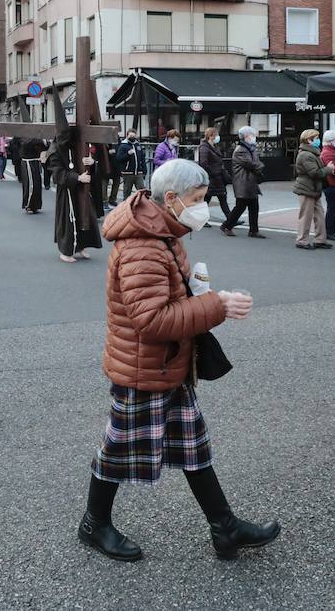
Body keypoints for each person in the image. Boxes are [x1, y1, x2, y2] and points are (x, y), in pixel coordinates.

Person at [78, 158, 277, 563]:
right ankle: (93, 523)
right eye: (197, 199)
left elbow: (167, 302)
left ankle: (225, 528)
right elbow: (151, 321)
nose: (203, 206)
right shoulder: (143, 246)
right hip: (144, 366)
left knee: (193, 446)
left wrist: (199, 294)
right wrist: (215, 306)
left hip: (166, 363)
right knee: (118, 451)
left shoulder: (164, 230)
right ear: (170, 198)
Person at [51, 128, 103, 263]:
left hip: (81, 189)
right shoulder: (55, 150)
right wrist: (77, 178)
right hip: (67, 190)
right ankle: (65, 250)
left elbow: (88, 165)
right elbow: (57, 174)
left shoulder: (77, 146)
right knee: (69, 220)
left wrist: (91, 163)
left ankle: (81, 246)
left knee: (85, 216)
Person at [292, 129, 333, 251]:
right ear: (309, 140)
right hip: (307, 188)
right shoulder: (305, 155)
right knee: (306, 215)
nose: (318, 140)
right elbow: (314, 172)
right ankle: (302, 240)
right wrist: (328, 169)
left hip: (313, 188)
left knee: (319, 214)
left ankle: (320, 240)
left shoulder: (312, 153)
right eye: (316, 138)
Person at [220, 126, 265, 238]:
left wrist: (258, 164)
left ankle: (254, 230)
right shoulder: (240, 150)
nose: (254, 138)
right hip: (243, 182)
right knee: (240, 206)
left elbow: (255, 163)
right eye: (252, 135)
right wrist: (260, 166)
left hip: (250, 182)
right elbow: (252, 164)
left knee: (254, 206)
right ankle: (226, 225)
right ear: (245, 136)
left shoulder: (250, 149)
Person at [197, 127, 231, 225]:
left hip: (217, 178)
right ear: (211, 136)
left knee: (222, 197)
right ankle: (202, 219)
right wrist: (213, 173)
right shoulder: (204, 147)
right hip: (212, 178)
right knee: (208, 198)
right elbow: (203, 163)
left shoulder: (214, 146)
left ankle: (230, 219)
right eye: (216, 135)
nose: (218, 137)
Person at [114, 130, 148, 202]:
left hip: (138, 172)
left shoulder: (138, 145)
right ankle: (126, 207)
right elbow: (119, 158)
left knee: (142, 190)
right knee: (127, 191)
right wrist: (128, 154)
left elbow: (142, 158)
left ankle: (143, 204)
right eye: (131, 136)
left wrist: (144, 170)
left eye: (134, 136)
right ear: (127, 136)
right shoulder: (123, 146)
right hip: (128, 173)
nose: (132, 137)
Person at [19, 137, 46, 214]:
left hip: (35, 161)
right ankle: (29, 205)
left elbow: (42, 147)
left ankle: (36, 205)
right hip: (28, 162)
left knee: (37, 184)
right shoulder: (24, 135)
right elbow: (25, 142)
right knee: (30, 184)